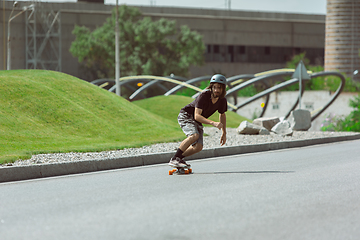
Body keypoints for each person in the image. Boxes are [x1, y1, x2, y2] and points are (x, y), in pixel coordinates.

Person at [169, 74, 228, 168]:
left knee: (198, 147)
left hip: (196, 120)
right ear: (211, 87)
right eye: (214, 87)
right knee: (194, 135)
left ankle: (178, 158)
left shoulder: (222, 100)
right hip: (186, 115)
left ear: (223, 89)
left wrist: (224, 133)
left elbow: (222, 115)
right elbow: (197, 116)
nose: (216, 90)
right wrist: (213, 122)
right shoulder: (204, 96)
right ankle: (174, 159)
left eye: (219, 88)